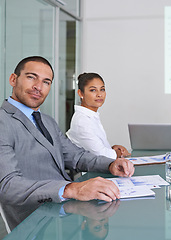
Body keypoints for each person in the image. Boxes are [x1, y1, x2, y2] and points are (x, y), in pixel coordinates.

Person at [0, 56, 135, 212]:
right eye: (31, 77)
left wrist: (110, 164)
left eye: (46, 82)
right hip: (38, 216)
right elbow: (8, 185)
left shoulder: (47, 121)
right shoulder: (4, 121)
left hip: (65, 207)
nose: (38, 87)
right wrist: (71, 189)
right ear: (13, 79)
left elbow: (76, 156)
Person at [67, 73, 130, 159]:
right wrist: (119, 152)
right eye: (93, 90)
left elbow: (95, 149)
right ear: (81, 93)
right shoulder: (81, 121)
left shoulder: (91, 116)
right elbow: (102, 155)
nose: (99, 94)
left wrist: (112, 148)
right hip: (91, 171)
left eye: (102, 89)